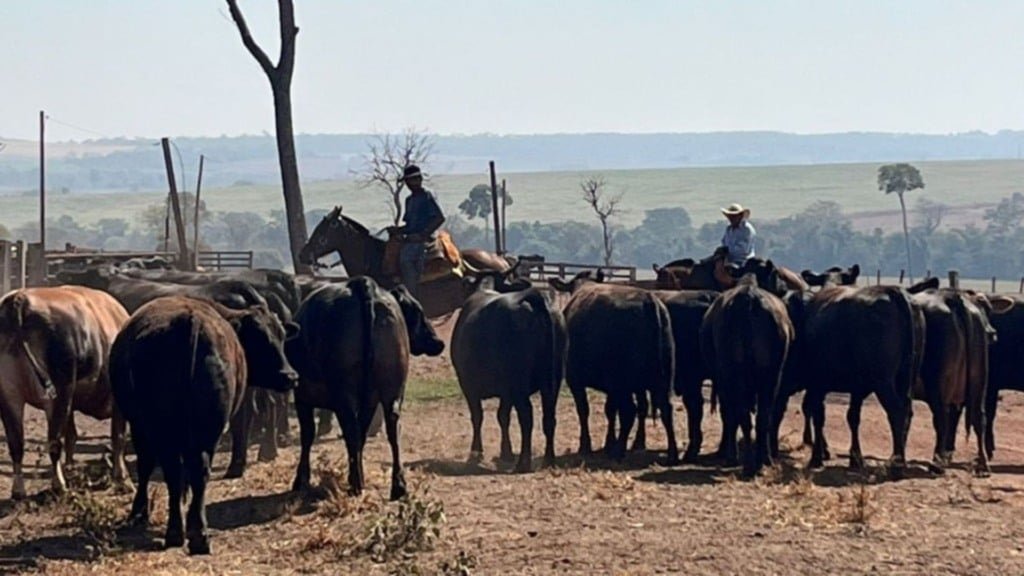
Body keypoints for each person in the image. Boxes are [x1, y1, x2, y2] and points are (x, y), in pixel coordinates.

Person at [386, 165, 445, 299]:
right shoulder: (409, 200)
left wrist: (423, 235)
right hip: (411, 237)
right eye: (407, 181)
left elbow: (439, 218)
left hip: (424, 238)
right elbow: (410, 225)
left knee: (406, 259)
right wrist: (397, 230)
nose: (409, 184)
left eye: (412, 180)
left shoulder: (427, 196)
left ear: (419, 179)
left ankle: (412, 295)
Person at [719, 202, 756, 267]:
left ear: (740, 216)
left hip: (743, 261)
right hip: (729, 260)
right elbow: (724, 242)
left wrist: (727, 250)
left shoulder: (747, 229)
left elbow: (743, 250)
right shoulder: (729, 229)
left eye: (734, 216)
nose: (731, 218)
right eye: (730, 216)